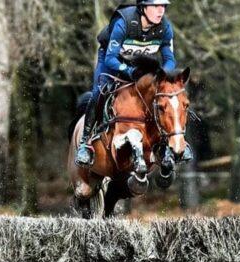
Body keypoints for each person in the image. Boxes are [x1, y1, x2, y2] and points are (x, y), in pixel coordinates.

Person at [75, 0, 176, 168]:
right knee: (100, 92)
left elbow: (170, 60)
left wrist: (162, 75)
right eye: (155, 6)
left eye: (163, 6)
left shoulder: (165, 28)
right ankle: (85, 143)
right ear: (143, 7)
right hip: (112, 62)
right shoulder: (124, 22)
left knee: (168, 96)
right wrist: (128, 71)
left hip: (140, 65)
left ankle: (170, 141)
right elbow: (110, 58)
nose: (161, 11)